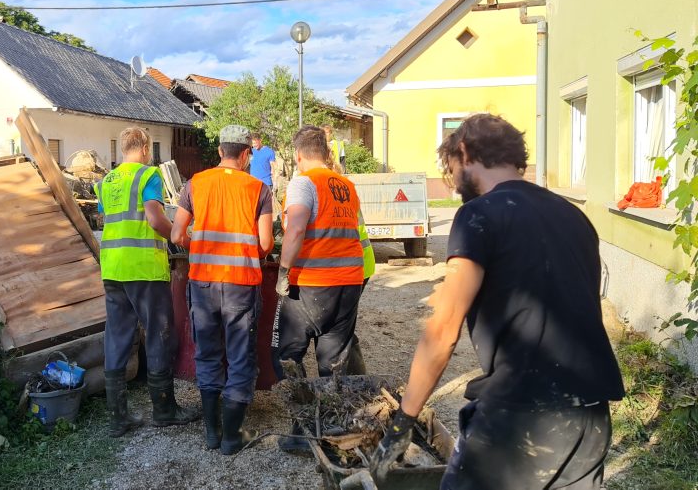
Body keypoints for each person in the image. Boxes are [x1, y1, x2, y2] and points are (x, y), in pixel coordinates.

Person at [369, 114, 625, 489]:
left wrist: (402, 421)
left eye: (452, 168)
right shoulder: (573, 216)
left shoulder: (478, 215)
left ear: (465, 152)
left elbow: (442, 332)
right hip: (589, 415)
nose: (455, 181)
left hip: (522, 418)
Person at [170, 125, 274, 455]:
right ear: (246, 155)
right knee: (240, 358)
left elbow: (176, 235)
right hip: (241, 284)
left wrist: (196, 244)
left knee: (208, 354)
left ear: (219, 152)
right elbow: (266, 243)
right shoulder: (260, 189)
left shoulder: (195, 183)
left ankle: (211, 433)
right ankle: (232, 437)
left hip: (202, 284)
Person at [95, 127, 199, 438]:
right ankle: (165, 410)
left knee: (117, 337)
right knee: (158, 334)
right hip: (143, 269)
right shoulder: (147, 175)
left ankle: (118, 419)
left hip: (113, 269)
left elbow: (107, 221)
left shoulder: (106, 182)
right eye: (149, 148)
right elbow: (154, 219)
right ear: (142, 148)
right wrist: (181, 239)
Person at [272, 126, 367, 452]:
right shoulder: (346, 185)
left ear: (298, 156)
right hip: (348, 283)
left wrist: (283, 272)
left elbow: (297, 227)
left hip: (312, 284)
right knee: (332, 359)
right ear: (326, 153)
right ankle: (331, 429)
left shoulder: (303, 182)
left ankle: (301, 430)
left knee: (287, 354)